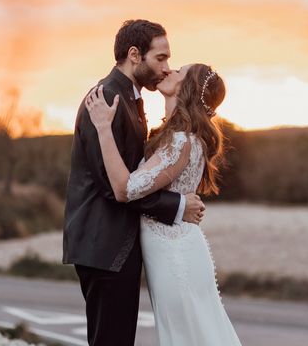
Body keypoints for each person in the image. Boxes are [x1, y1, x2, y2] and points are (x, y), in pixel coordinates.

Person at [62, 19, 206, 346]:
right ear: (135, 55)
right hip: (103, 244)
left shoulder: (130, 98)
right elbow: (114, 186)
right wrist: (177, 205)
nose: (166, 68)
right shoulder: (107, 99)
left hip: (115, 245)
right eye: (161, 58)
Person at [84, 62, 242, 345]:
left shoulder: (181, 141)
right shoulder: (173, 136)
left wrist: (103, 128)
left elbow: (125, 188)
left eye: (178, 71)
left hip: (175, 256)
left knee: (186, 337)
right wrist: (179, 203)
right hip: (173, 251)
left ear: (187, 88)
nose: (169, 71)